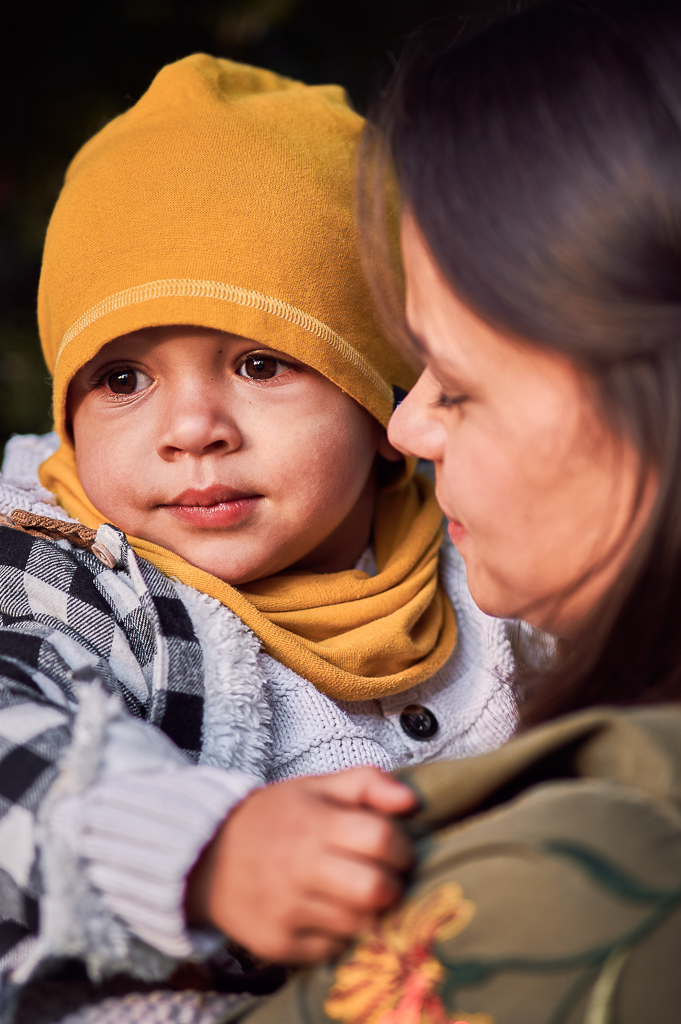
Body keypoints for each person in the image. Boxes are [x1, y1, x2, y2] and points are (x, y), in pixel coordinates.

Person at [163, 2, 681, 1021]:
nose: (406, 431)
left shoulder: (587, 886)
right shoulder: (76, 587)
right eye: (121, 378)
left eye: (453, 380)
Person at [0, 54, 516, 1022]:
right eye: (123, 380)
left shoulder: (480, 545)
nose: (193, 428)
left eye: (258, 361)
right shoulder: (71, 569)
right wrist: (203, 855)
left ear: (376, 389)